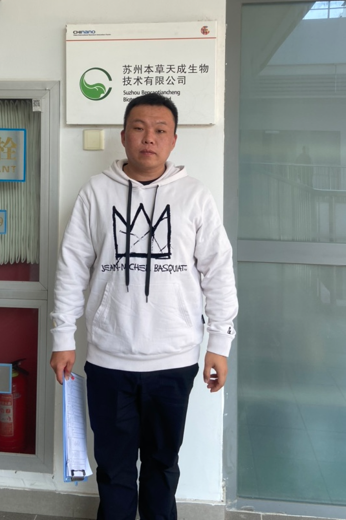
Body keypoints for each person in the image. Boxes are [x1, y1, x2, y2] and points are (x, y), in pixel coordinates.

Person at [50, 93, 238, 520]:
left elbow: (218, 271)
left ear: (173, 141)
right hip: (108, 361)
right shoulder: (96, 193)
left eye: (159, 130)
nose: (148, 138)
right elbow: (71, 266)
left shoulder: (194, 196)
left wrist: (219, 343)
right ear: (123, 136)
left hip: (174, 361)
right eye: (138, 128)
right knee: (114, 470)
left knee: (162, 466)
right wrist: (63, 337)